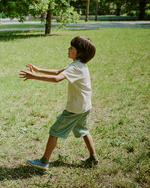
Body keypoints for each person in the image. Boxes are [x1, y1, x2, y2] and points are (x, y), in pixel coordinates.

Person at [19, 36, 98, 170]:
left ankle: (44, 161)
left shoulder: (76, 68)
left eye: (71, 48)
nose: (68, 49)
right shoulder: (79, 65)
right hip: (85, 107)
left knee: (55, 131)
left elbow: (56, 78)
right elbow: (57, 72)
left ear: (79, 53)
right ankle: (93, 158)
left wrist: (34, 76)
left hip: (75, 109)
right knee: (83, 130)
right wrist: (38, 70)